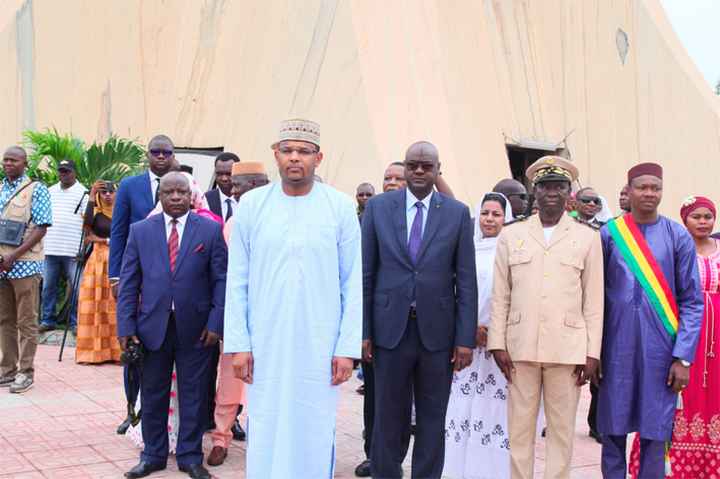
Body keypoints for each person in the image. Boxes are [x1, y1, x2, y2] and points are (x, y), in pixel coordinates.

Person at [224, 119, 362, 479]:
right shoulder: (253, 206)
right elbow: (236, 280)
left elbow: (352, 283)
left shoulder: (340, 207)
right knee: (266, 423)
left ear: (319, 157)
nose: (295, 158)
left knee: (314, 427)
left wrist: (346, 349)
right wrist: (240, 344)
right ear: (276, 154)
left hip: (320, 343)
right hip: (265, 342)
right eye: (287, 150)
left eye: (303, 151)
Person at [362, 141, 477, 479]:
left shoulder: (457, 214)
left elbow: (466, 282)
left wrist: (465, 339)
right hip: (389, 332)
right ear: (405, 166)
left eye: (427, 166)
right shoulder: (379, 208)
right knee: (387, 416)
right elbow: (367, 274)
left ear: (437, 169)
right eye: (413, 165)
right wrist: (364, 332)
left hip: (437, 335)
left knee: (432, 417)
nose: (419, 172)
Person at [487, 156, 604, 479]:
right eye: (545, 186)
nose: (551, 193)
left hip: (567, 350)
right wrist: (497, 342)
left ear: (569, 194)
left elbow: (593, 300)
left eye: (559, 187)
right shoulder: (512, 235)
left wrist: (592, 352)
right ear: (533, 191)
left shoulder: (587, 237)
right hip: (519, 347)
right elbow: (502, 294)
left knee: (561, 433)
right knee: (519, 432)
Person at [117, 172, 226, 479]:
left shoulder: (210, 230)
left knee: (194, 394)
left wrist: (216, 322)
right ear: (160, 197)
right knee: (153, 392)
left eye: (182, 192)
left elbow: (221, 280)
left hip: (198, 329)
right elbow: (129, 283)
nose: (176, 197)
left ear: (192, 196)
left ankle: (191, 457)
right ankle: (152, 455)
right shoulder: (140, 231)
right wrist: (125, 327)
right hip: (152, 328)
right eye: (169, 192)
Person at [597, 163, 703, 478]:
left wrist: (683, 357)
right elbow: (592, 298)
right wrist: (592, 352)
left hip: (661, 353)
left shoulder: (677, 236)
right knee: (612, 430)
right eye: (642, 187)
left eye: (655, 188)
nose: (649, 193)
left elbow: (692, 301)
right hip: (615, 350)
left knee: (655, 434)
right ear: (628, 190)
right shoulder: (609, 234)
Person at [443, 192, 513, 479]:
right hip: (467, 341)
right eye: (485, 213)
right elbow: (454, 292)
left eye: (496, 214)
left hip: (498, 344)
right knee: (461, 406)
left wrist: (495, 333)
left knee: (493, 411)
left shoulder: (510, 252)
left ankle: (489, 470)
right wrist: (467, 329)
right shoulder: (466, 248)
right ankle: (456, 468)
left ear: (505, 219)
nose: (489, 219)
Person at [110, 134, 174, 434]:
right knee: (133, 349)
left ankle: (156, 412)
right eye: (155, 152)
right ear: (147, 155)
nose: (161, 156)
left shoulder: (182, 184)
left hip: (168, 287)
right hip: (136, 282)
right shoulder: (129, 186)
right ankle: (131, 409)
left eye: (167, 152)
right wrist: (116, 277)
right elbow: (119, 233)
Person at [207, 161, 269, 467]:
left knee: (269, 381)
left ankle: (266, 439)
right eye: (239, 186)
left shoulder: (278, 219)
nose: (236, 190)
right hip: (239, 315)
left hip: (273, 316)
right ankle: (221, 438)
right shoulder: (231, 224)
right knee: (231, 379)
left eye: (244, 185)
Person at [0, 146, 52, 394]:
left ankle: (25, 372)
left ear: (25, 163)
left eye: (14, 160)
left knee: (27, 321)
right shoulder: (1, 188)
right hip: (2, 266)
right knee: (5, 320)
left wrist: (14, 255)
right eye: (5, 160)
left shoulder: (36, 189)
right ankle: (7, 370)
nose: (8, 164)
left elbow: (41, 228)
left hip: (26, 264)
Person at [39, 159, 88, 333]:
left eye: (67, 171)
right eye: (61, 171)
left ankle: (75, 323)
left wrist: (84, 248)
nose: (63, 174)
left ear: (74, 172)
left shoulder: (84, 193)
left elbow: (87, 224)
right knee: (48, 287)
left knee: (78, 288)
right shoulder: (50, 191)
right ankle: (48, 320)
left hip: (73, 250)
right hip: (50, 248)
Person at [75, 180, 121, 364]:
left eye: (111, 191)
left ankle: (117, 352)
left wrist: (102, 239)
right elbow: (87, 233)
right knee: (95, 304)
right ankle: (91, 353)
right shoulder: (95, 212)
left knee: (114, 305)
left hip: (118, 261)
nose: (108, 195)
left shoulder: (122, 212)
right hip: (98, 261)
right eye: (104, 192)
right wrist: (92, 197)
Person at [205, 152, 239, 222]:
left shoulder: (247, 200)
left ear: (238, 172)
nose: (224, 178)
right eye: (219, 174)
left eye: (229, 174)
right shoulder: (206, 199)